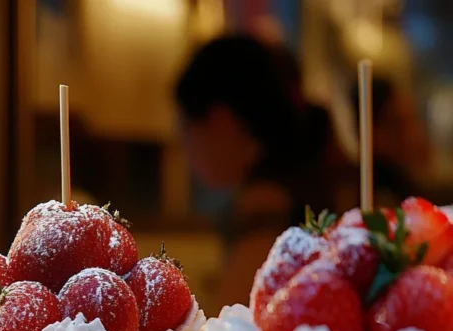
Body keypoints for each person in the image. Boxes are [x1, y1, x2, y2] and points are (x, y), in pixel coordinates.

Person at [175, 35, 358, 309]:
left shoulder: (264, 213)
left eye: (185, 130)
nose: (184, 150)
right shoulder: (315, 182)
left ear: (221, 121)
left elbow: (230, 329)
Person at [349, 76, 432, 209]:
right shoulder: (377, 200)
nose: (416, 135)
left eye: (415, 120)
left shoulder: (412, 187)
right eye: (399, 124)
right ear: (371, 132)